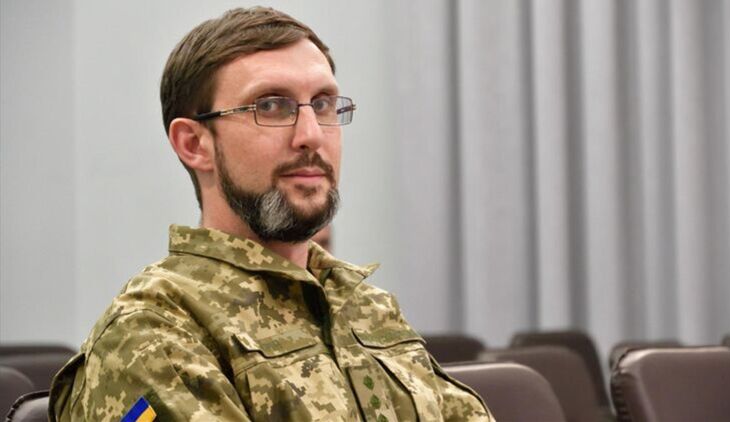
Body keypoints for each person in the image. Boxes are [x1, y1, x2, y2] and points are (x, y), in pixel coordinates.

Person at [49, 7, 492, 421]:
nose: (311, 135)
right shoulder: (153, 331)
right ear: (194, 144)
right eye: (270, 106)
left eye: (323, 103)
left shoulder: (364, 306)